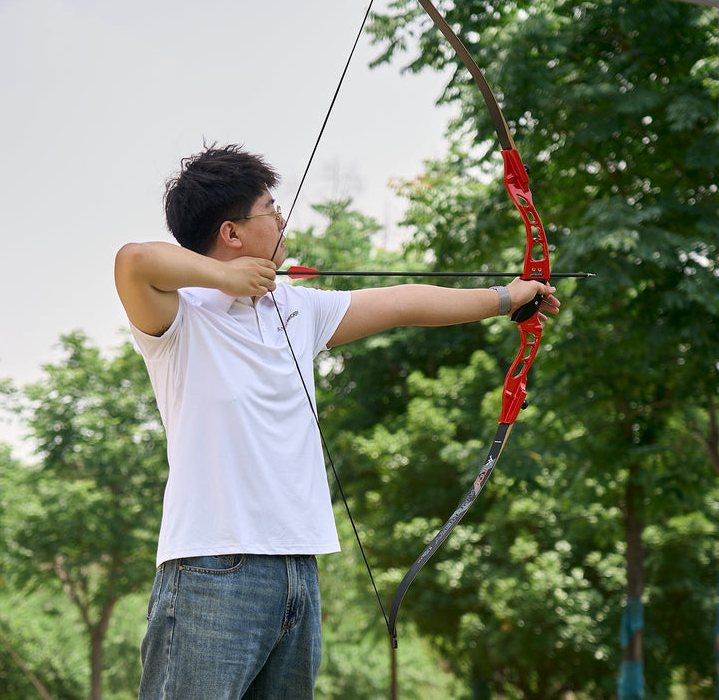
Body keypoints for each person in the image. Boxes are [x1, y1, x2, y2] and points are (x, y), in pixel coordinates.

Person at [114, 143, 559, 700]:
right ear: (232, 233)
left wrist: (504, 297)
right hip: (210, 568)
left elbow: (403, 302)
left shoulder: (298, 310)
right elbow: (133, 260)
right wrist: (225, 280)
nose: (282, 218)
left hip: (297, 572)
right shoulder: (179, 318)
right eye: (270, 209)